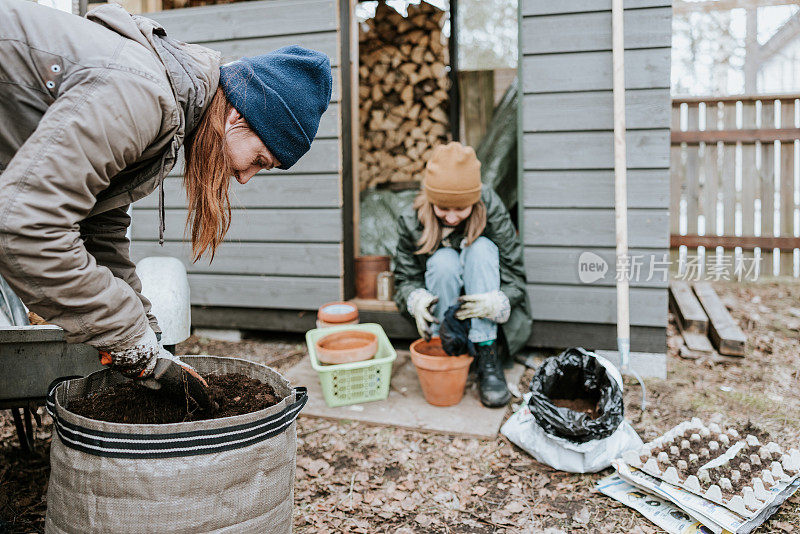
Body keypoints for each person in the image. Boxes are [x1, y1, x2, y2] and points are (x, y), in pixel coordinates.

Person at [0, 0, 332, 386]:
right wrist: (131, 341)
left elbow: (98, 230)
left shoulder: (163, 111)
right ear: (237, 118)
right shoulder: (141, 96)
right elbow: (24, 227)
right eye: (260, 159)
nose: (245, 177)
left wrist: (148, 338)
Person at [394, 142, 532, 407]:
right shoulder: (412, 219)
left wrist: (497, 301)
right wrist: (416, 300)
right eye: (444, 208)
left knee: (481, 248)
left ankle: (486, 352)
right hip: (443, 304)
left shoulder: (490, 208)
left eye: (461, 208)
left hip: (482, 306)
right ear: (431, 199)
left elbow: (515, 275)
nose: (452, 217)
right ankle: (446, 345)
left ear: (475, 200)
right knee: (444, 260)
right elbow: (404, 278)